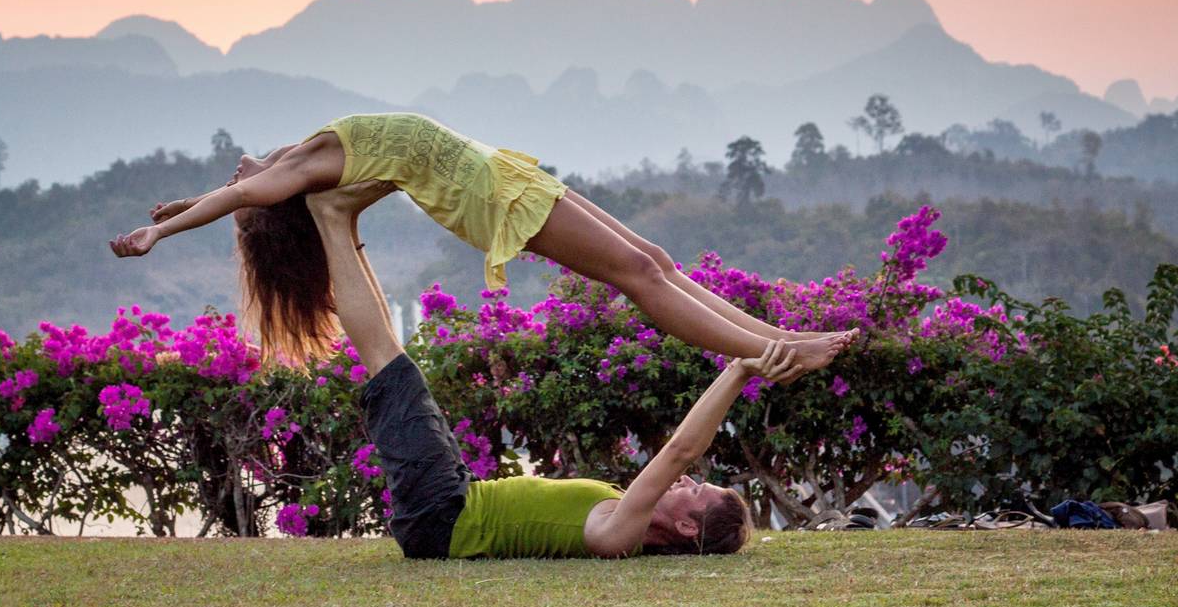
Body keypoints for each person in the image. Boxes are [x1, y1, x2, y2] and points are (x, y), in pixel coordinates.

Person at [301, 179, 810, 559]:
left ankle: (329, 219)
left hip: (442, 517)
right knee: (394, 360)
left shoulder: (617, 534)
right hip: (453, 500)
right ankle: (340, 224)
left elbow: (682, 449)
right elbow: (681, 458)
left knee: (390, 367)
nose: (686, 482)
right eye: (695, 482)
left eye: (696, 492)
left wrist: (742, 366)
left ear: (686, 529)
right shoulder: (617, 512)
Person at [110, 112, 856, 367]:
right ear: (273, 201)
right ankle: (771, 353)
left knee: (652, 259)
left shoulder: (292, 161)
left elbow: (237, 186)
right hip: (485, 197)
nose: (236, 173)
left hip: (499, 172)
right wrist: (161, 231)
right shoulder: (293, 172)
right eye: (244, 194)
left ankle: (780, 335)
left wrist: (182, 202)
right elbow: (243, 191)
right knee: (635, 273)